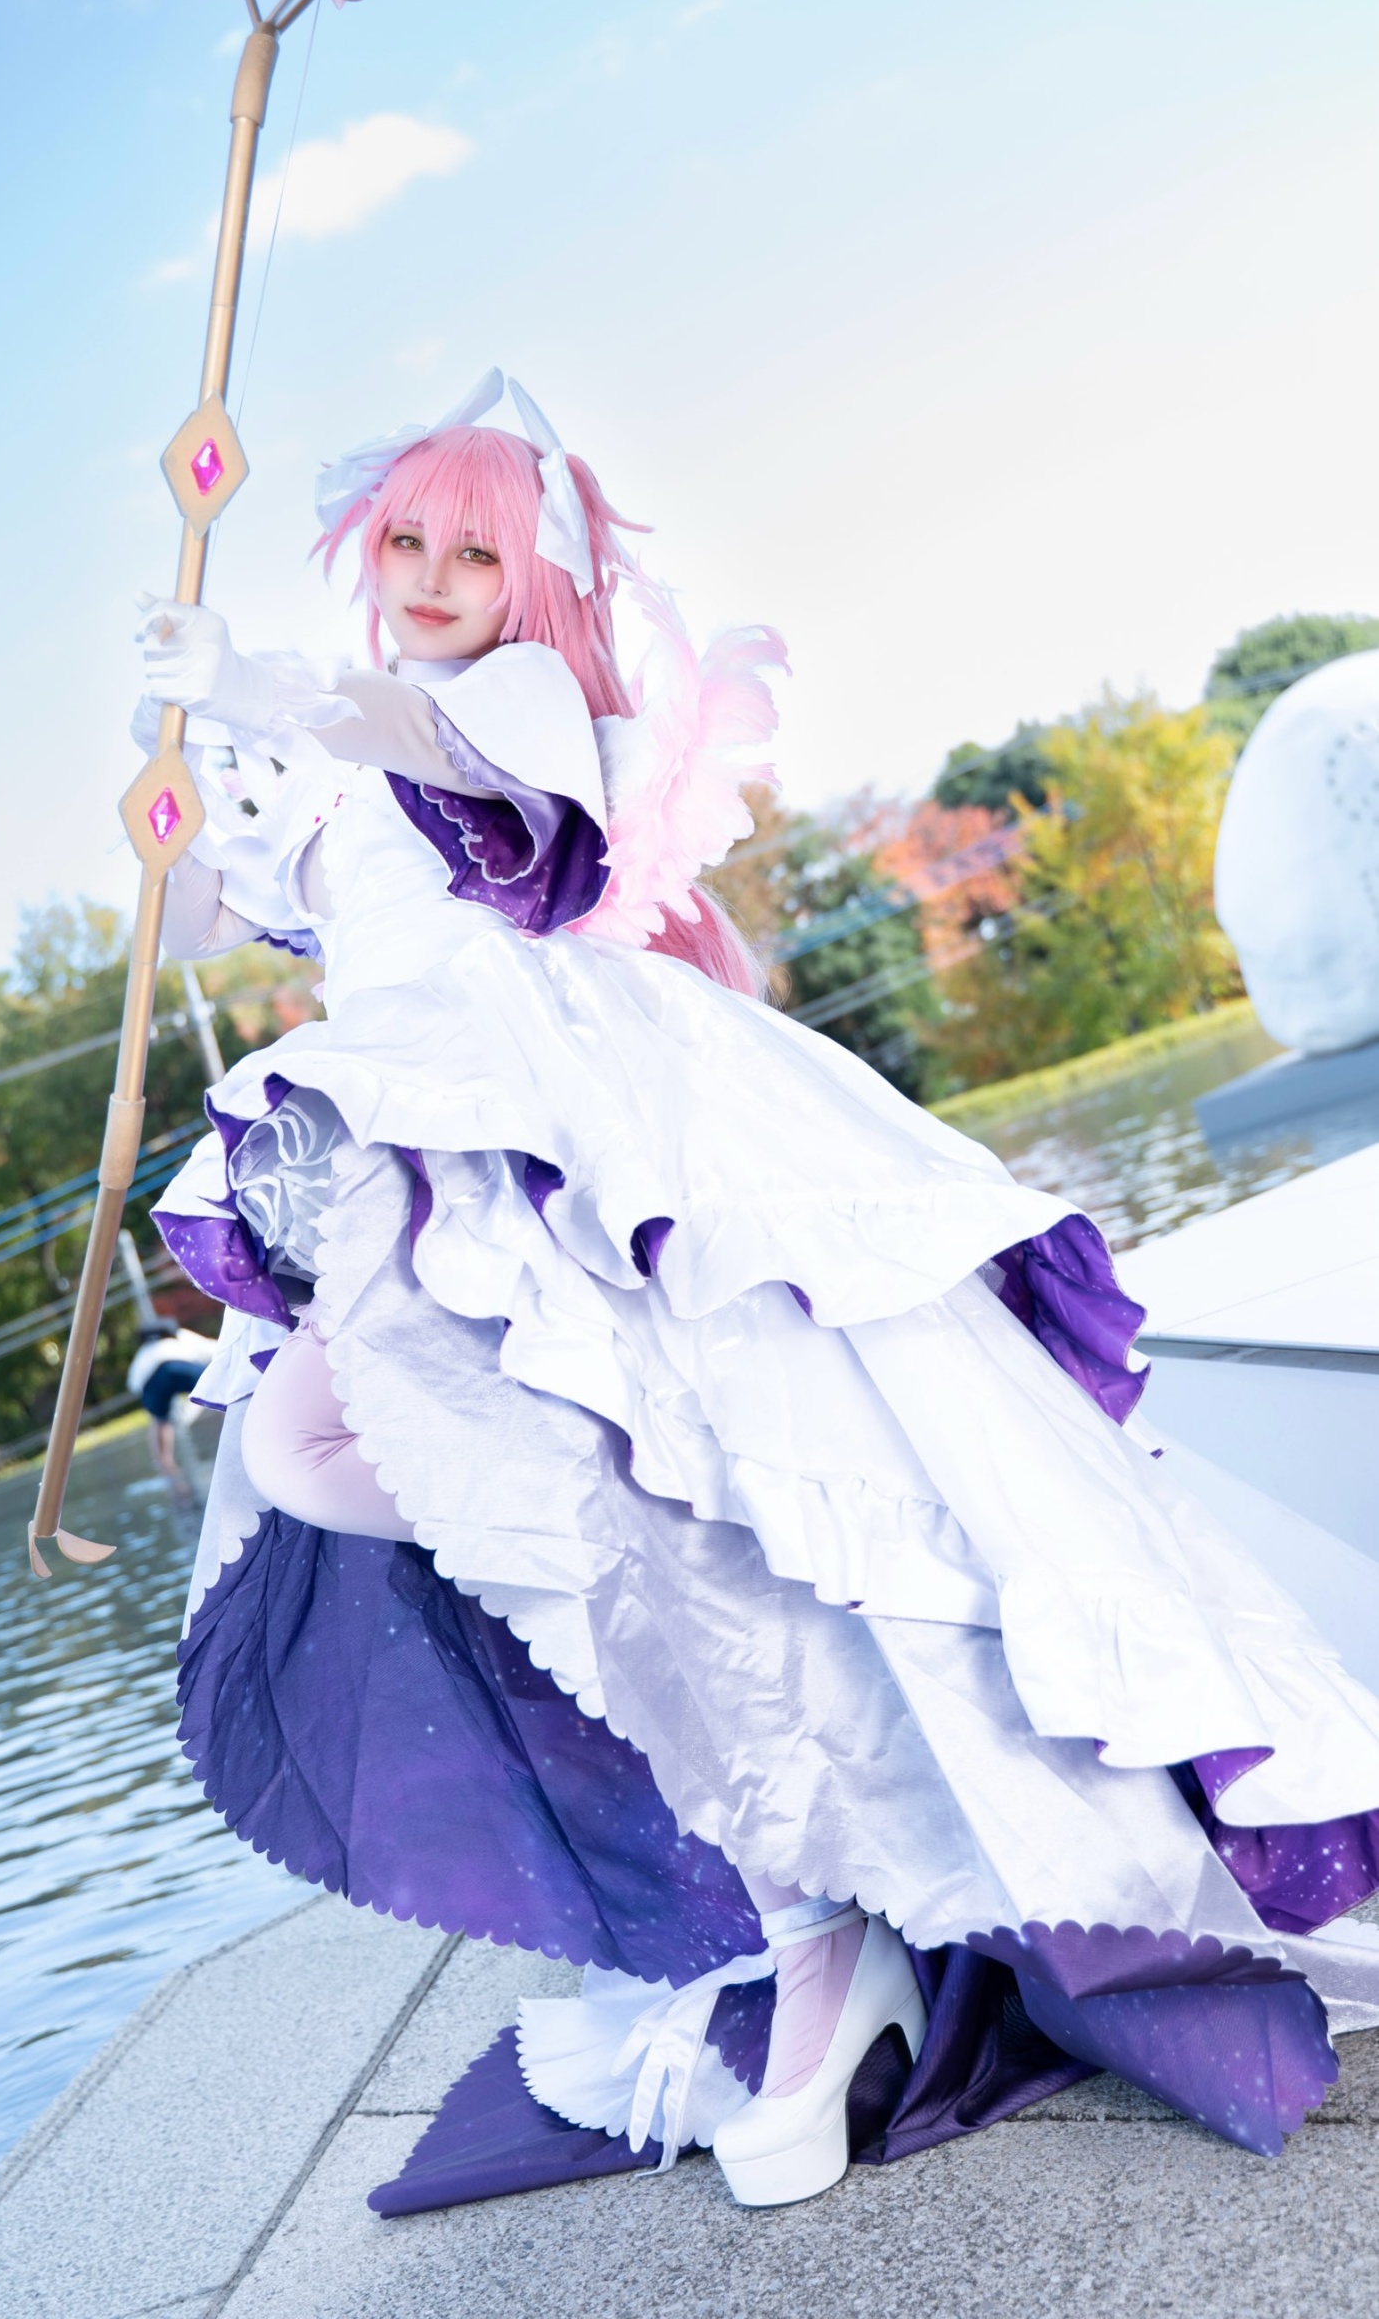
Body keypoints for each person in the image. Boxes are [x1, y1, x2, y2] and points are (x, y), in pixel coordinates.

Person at [134, 371, 1379, 2214]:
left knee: (664, 1505)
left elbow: (442, 752)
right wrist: (175, 798)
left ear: (532, 578)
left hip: (563, 1126)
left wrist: (250, 683)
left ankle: (816, 1921)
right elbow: (222, 915)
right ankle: (775, 1876)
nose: (433, 576)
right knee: (326, 1459)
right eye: (405, 541)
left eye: (475, 550)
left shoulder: (519, 701)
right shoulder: (324, 752)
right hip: (414, 1131)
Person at [125, 1320, 215, 1490]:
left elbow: (134, 1384)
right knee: (219, 1387)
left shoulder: (143, 1353)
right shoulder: (181, 1336)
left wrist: (157, 1409)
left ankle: (165, 1463)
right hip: (179, 1364)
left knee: (160, 1420)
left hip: (151, 1378)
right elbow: (214, 1351)